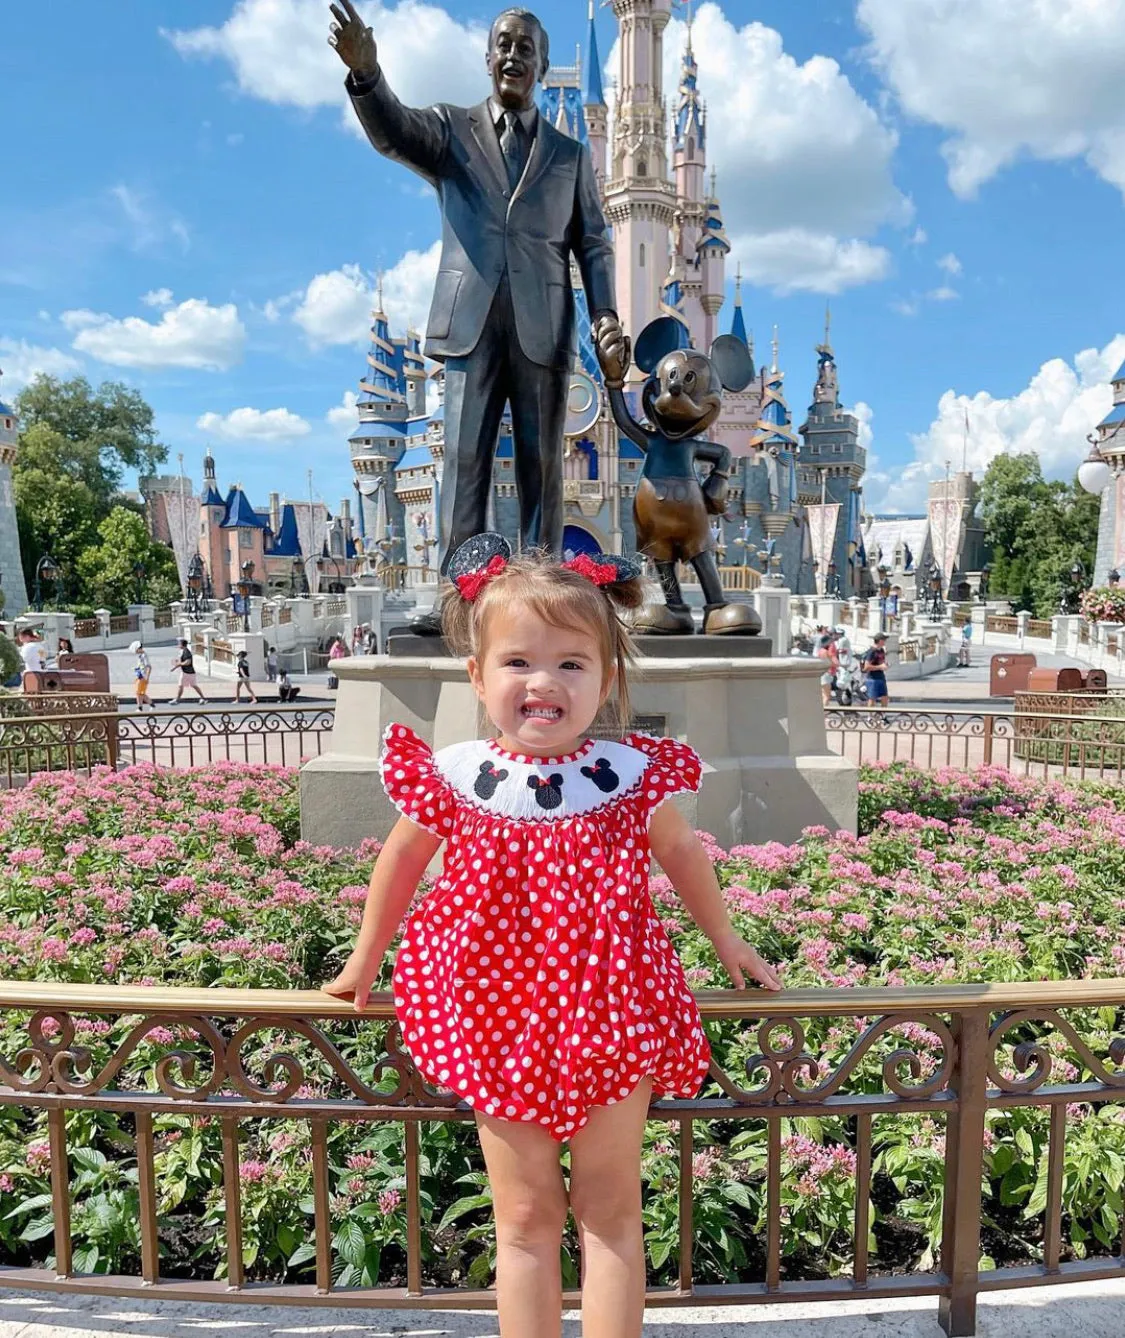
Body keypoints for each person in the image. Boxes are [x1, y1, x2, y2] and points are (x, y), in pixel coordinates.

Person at [322, 535, 781, 1338]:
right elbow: (399, 863)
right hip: (495, 1022)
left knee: (609, 1212)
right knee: (526, 1218)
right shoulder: (459, 775)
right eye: (517, 662)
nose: (544, 681)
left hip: (612, 1016)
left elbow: (680, 853)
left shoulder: (626, 775)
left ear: (606, 679)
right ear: (477, 675)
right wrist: (368, 958)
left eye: (572, 662)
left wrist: (728, 942)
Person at [330, 0, 624, 629]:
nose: (514, 55)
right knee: (466, 460)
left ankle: (546, 599)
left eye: (527, 47)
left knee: (543, 466)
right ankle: (459, 598)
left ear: (544, 67)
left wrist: (604, 317)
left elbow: (595, 241)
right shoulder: (452, 130)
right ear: (488, 57)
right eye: (504, 44)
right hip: (469, 323)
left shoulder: (570, 156)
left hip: (544, 324)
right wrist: (367, 78)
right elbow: (395, 133)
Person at [171, 638, 206, 703]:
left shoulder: (187, 652)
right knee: (180, 685)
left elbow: (188, 662)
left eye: (179, 643)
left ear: (182, 644)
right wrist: (176, 665)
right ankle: (177, 699)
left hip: (189, 672)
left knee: (194, 685)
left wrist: (178, 664)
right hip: (184, 672)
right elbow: (182, 661)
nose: (178, 645)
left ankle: (203, 698)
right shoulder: (182, 651)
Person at [861, 633, 890, 708]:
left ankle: (883, 716)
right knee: (872, 698)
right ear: (880, 641)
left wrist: (885, 665)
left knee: (885, 697)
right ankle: (870, 717)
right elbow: (866, 667)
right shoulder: (872, 651)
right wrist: (880, 666)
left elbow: (880, 662)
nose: (885, 641)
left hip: (881, 677)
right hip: (872, 678)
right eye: (884, 640)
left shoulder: (882, 650)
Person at [816, 627, 839, 707]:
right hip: (827, 673)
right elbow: (830, 662)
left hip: (822, 673)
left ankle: (823, 715)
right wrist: (836, 664)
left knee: (823, 695)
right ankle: (824, 716)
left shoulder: (820, 650)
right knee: (826, 696)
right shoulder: (826, 650)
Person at [130, 639, 155, 710]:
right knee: (140, 693)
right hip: (140, 675)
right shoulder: (140, 656)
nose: (136, 652)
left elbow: (149, 667)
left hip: (143, 676)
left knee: (139, 692)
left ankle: (140, 707)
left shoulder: (144, 655)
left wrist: (147, 677)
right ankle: (151, 705)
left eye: (136, 650)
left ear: (138, 648)